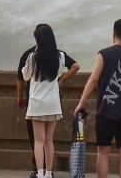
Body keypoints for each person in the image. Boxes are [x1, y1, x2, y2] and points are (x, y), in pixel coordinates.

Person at [73, 19, 121, 178]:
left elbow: (93, 79)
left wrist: (82, 102)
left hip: (105, 111)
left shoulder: (104, 54)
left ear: (113, 33)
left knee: (103, 152)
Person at [17, 24, 80, 178]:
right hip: (53, 103)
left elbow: (25, 76)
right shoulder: (59, 56)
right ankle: (49, 172)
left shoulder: (32, 56)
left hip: (37, 103)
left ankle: (39, 173)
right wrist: (62, 80)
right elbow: (75, 66)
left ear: (37, 40)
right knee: (49, 140)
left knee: (39, 140)